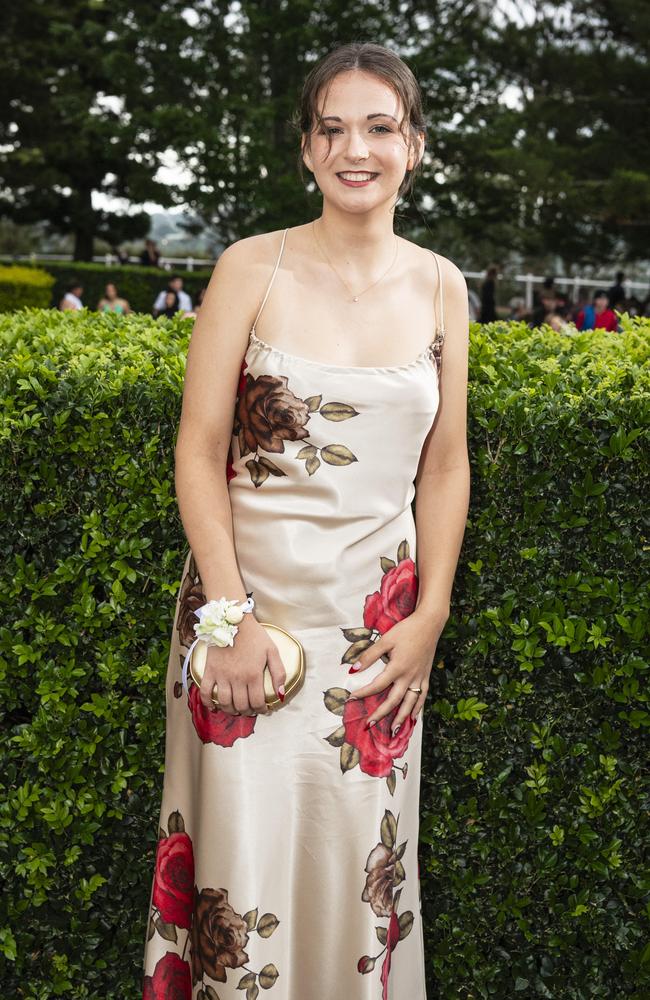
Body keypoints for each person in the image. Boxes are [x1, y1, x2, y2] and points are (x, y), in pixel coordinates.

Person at [142, 42, 470, 1000]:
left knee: (357, 868)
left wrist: (432, 618)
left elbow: (443, 467)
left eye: (378, 127)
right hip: (248, 626)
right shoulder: (252, 267)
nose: (353, 149)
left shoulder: (444, 286)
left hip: (380, 644)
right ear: (306, 150)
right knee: (242, 874)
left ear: (414, 146)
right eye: (332, 128)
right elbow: (198, 449)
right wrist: (231, 620)